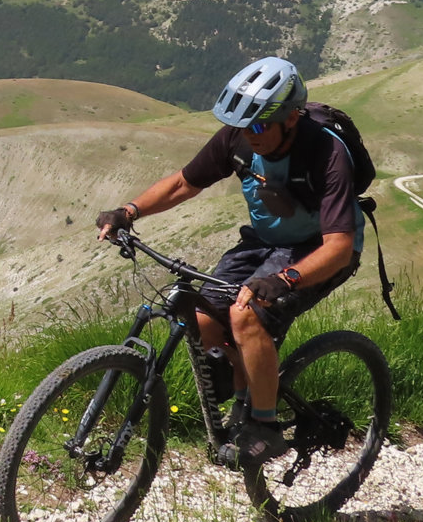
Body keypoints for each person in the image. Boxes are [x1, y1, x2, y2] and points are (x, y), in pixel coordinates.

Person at [96, 56, 363, 467]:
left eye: (259, 126)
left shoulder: (326, 153)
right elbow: (184, 182)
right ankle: (245, 389)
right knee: (200, 324)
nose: (248, 135)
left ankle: (265, 425)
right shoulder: (239, 137)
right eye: (242, 125)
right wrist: (128, 211)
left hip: (317, 251)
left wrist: (287, 279)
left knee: (246, 315)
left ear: (290, 119)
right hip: (264, 239)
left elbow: (340, 246)